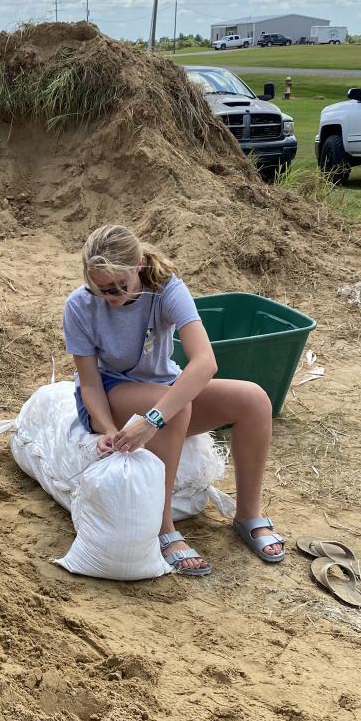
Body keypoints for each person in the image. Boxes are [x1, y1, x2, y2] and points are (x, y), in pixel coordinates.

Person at [62, 224, 284, 576]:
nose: (111, 297)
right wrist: (107, 429)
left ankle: (247, 515)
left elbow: (205, 362)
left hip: (160, 385)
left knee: (254, 400)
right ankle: (163, 529)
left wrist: (151, 420)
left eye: (120, 287)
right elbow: (89, 383)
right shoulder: (79, 305)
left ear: (138, 265)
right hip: (111, 390)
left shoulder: (165, 288)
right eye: (101, 289)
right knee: (174, 408)